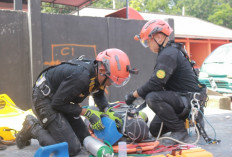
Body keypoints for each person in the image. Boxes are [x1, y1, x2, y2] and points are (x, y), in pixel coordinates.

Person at [16, 48, 135, 156]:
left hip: (61, 99)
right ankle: (32, 127)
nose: (111, 83)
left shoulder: (98, 73)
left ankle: (53, 128)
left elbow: (99, 93)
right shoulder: (81, 77)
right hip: (44, 99)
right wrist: (87, 113)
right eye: (112, 80)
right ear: (103, 70)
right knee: (70, 148)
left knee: (84, 137)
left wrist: (107, 109)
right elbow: (57, 104)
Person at [125, 19, 207, 145]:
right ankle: (183, 123)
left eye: (148, 41)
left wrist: (133, 95)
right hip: (182, 99)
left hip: (187, 101)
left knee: (152, 97)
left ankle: (180, 131)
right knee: (154, 130)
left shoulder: (168, 54)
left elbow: (155, 83)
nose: (148, 45)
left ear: (158, 37)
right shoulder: (169, 51)